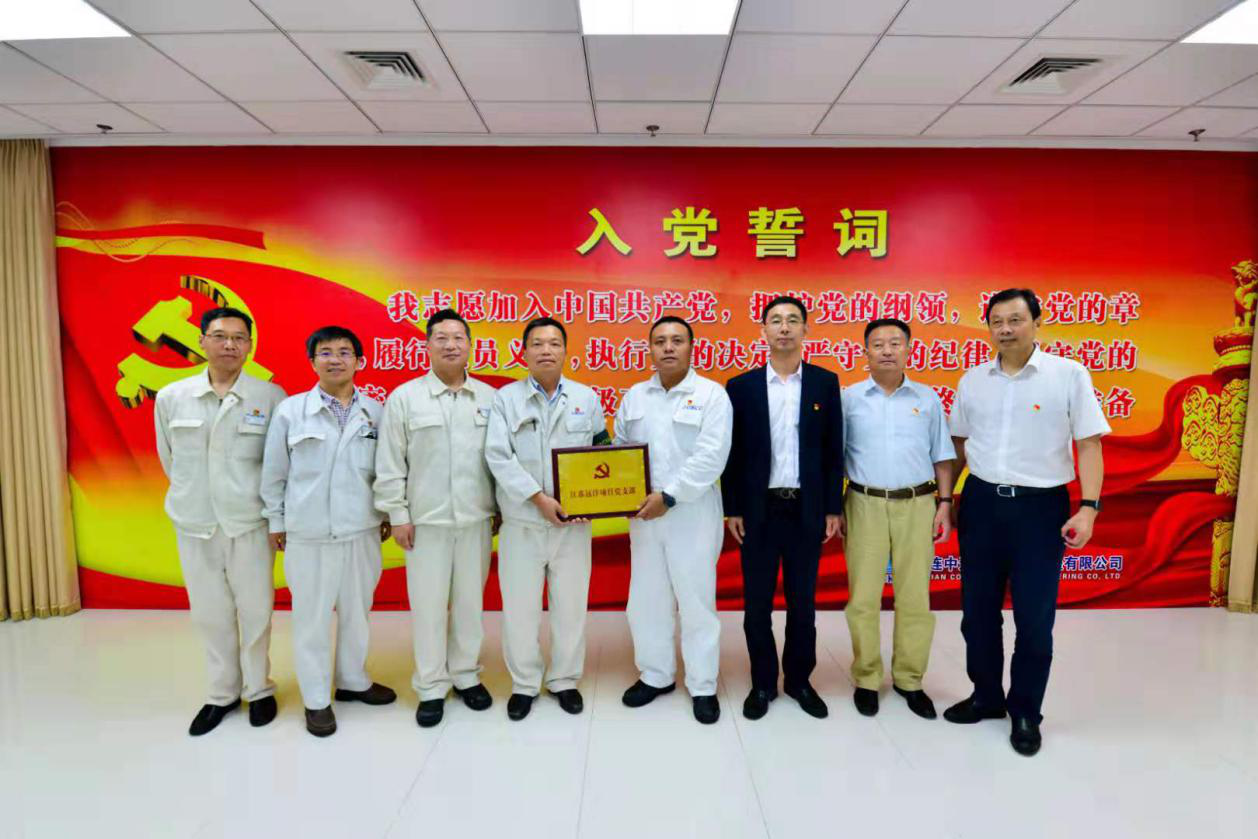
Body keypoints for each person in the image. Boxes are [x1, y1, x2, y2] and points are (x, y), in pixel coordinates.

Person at [945, 288, 1109, 756]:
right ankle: (986, 697)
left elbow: (1089, 444)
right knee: (978, 614)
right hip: (981, 504)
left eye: (1015, 319)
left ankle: (1025, 712)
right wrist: (946, 499)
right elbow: (959, 445)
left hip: (1040, 509)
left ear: (1037, 321)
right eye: (997, 321)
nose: (1005, 329)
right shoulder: (973, 380)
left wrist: (1089, 507)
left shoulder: (1067, 375)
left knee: (1034, 619)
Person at [153, 307, 285, 736]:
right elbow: (170, 458)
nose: (230, 344)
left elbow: (276, 464)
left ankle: (258, 689)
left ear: (249, 345)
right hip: (195, 522)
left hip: (250, 522)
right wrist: (197, 496)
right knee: (210, 613)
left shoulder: (270, 397)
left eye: (239, 338)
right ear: (202, 341)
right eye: (220, 335)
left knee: (256, 610)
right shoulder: (172, 397)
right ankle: (222, 693)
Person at [260, 326, 396, 737]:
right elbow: (274, 472)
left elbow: (386, 469)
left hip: (362, 530)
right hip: (309, 534)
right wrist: (276, 521)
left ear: (360, 360)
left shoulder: (376, 411)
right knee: (312, 620)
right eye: (325, 352)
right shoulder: (291, 411)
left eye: (344, 352)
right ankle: (317, 700)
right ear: (312, 361)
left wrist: (385, 513)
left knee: (358, 613)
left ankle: (353, 680)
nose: (335, 359)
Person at [374, 309, 498, 728]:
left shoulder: (488, 399)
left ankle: (466, 675)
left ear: (470, 346)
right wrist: (398, 514)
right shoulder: (405, 398)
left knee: (470, 604)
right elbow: (390, 462)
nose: (450, 344)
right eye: (441, 337)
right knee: (428, 608)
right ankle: (430, 686)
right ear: (426, 345)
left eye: (458, 337)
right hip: (425, 523)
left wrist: (499, 508)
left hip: (477, 520)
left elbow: (499, 460)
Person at [722, 295, 844, 721]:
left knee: (802, 603)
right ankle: (762, 682)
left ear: (806, 330)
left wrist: (833, 506)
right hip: (759, 511)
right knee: (757, 604)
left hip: (806, 510)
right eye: (776, 320)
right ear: (764, 331)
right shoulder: (741, 387)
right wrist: (733, 507)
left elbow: (833, 451)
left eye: (793, 320)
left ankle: (798, 680)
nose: (785, 327)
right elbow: (733, 454)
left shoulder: (825, 383)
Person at [485, 317, 608, 721]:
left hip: (573, 525)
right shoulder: (506, 399)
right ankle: (524, 684)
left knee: (570, 607)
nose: (546, 350)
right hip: (523, 522)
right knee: (520, 609)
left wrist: (602, 496)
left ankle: (564, 680)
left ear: (566, 351)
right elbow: (498, 457)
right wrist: (538, 498)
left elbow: (601, 452)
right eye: (537, 343)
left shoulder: (586, 398)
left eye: (554, 343)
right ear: (523, 352)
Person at [614, 316, 733, 724]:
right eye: (660, 341)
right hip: (644, 513)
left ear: (691, 348)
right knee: (646, 599)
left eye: (677, 340)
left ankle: (702, 684)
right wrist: (619, 492)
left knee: (696, 600)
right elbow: (620, 451)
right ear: (649, 349)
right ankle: (656, 675)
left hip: (691, 511)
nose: (668, 347)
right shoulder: (635, 396)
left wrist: (670, 495)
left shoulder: (711, 395)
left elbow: (712, 455)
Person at [840, 317, 955, 720]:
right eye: (878, 344)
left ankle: (909, 679)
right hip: (863, 502)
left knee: (915, 597)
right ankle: (867, 677)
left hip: (918, 503)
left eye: (895, 343)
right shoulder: (849, 399)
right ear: (865, 351)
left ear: (908, 349)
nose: (887, 350)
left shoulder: (927, 398)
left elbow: (943, 456)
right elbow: (833, 457)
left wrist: (944, 504)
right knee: (863, 597)